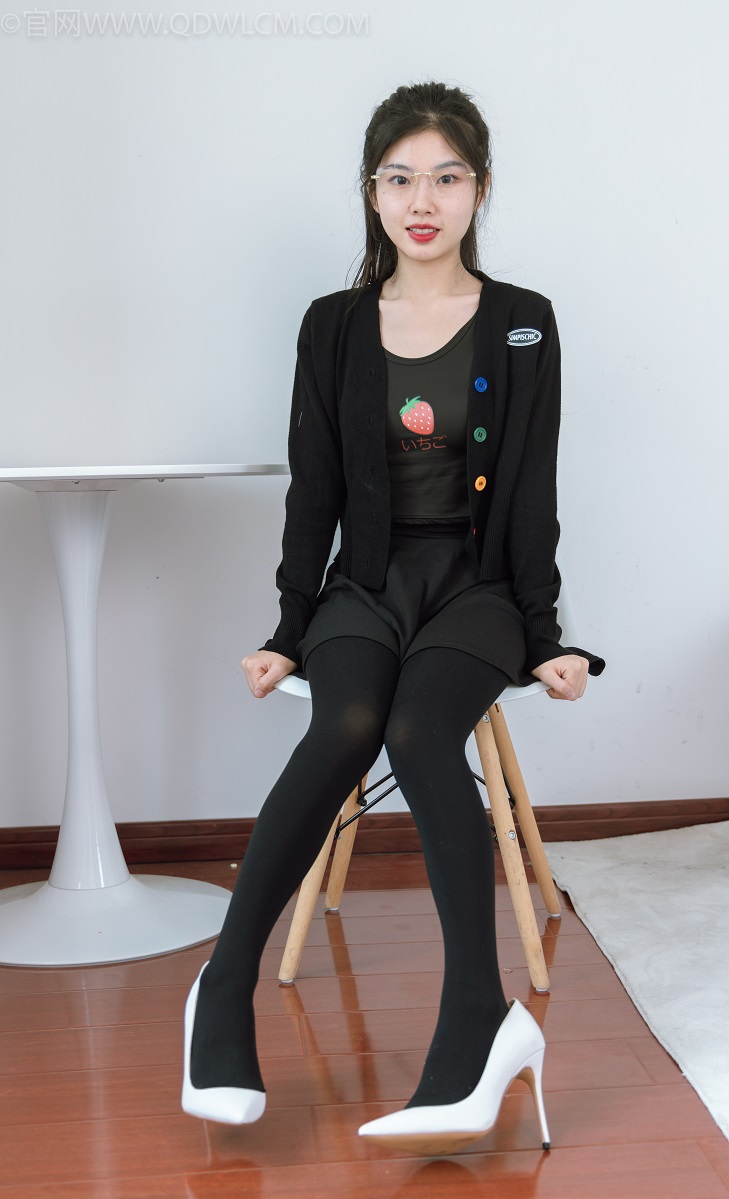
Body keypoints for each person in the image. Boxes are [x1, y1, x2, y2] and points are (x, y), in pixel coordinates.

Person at [181, 80, 605, 1155]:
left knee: (418, 731)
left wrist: (545, 634)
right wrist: (289, 627)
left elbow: (532, 490)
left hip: (478, 589)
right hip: (366, 582)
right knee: (347, 720)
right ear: (371, 192)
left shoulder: (523, 321)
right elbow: (313, 488)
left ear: (480, 189)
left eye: (446, 178)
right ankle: (221, 985)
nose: (423, 201)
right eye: (400, 178)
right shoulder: (331, 326)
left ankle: (479, 1019)